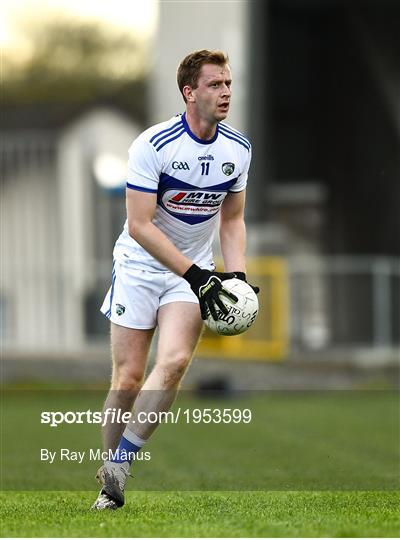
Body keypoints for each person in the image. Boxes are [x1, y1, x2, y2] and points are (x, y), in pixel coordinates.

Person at [92, 49, 259, 510]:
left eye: (228, 84)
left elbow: (232, 220)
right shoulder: (154, 144)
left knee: (176, 361)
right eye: (214, 85)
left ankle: (121, 466)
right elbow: (141, 225)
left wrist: (235, 278)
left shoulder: (238, 149)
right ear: (189, 92)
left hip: (192, 275)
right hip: (140, 266)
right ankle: (106, 473)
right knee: (127, 378)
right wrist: (200, 276)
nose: (225, 92)